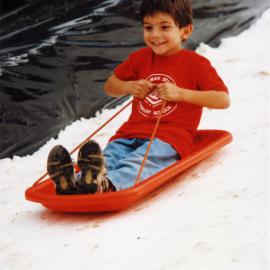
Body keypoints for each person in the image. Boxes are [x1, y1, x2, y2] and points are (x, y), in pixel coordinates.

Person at [47, 0, 230, 195]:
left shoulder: (196, 64)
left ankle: (106, 185)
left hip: (169, 139)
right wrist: (128, 86)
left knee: (142, 161)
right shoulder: (140, 58)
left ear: (185, 31)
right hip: (129, 133)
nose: (155, 35)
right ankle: (75, 182)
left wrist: (181, 93)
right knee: (108, 156)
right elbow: (110, 86)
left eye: (164, 27)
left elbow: (222, 100)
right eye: (148, 27)